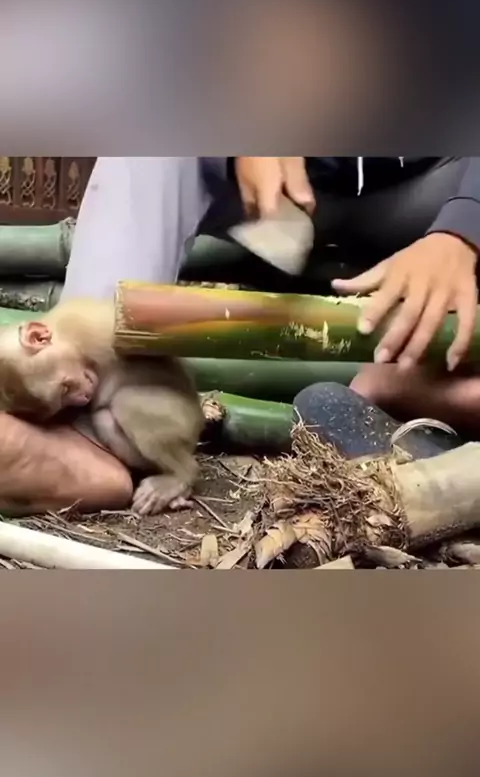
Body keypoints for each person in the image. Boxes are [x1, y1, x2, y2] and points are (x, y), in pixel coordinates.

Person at [2, 155, 480, 516]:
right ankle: (86, 435)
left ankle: (407, 388)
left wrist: (462, 231)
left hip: (434, 185)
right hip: (265, 192)